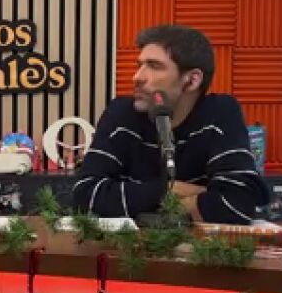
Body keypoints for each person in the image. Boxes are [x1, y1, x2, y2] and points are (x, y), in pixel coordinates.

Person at [73, 24, 269, 224]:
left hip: (199, 246)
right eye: (139, 65)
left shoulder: (220, 113)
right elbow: (84, 197)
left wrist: (139, 202)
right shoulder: (121, 115)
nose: (137, 77)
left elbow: (238, 205)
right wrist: (171, 191)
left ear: (192, 80)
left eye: (154, 66)